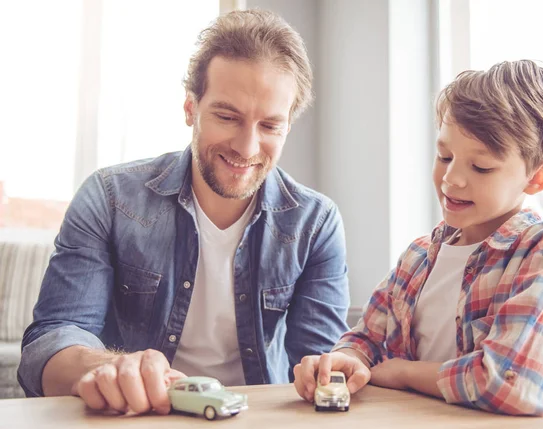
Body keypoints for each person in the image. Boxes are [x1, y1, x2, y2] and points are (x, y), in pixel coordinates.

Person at [19, 9, 350, 415]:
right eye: (227, 117)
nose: (247, 148)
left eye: (270, 126)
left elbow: (324, 366)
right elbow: (46, 346)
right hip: (137, 417)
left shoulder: (315, 223)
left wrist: (336, 370)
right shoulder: (109, 198)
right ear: (191, 108)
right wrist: (108, 366)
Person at [293, 60, 543, 421]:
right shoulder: (418, 256)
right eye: (444, 156)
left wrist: (404, 373)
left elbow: (512, 385)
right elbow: (365, 340)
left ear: (538, 177)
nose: (451, 179)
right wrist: (344, 361)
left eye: (480, 167)